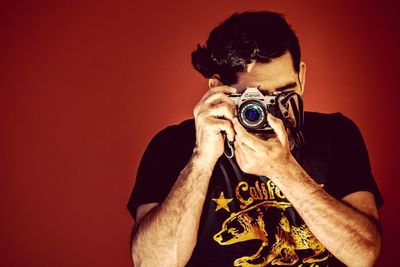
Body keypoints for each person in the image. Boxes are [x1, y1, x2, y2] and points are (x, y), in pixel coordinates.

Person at [127, 11, 383, 267]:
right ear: (218, 89)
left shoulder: (336, 135)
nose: (275, 115)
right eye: (256, 100)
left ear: (301, 77)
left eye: (285, 93)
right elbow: (150, 263)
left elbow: (364, 255)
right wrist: (201, 161)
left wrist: (284, 170)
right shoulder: (171, 146)